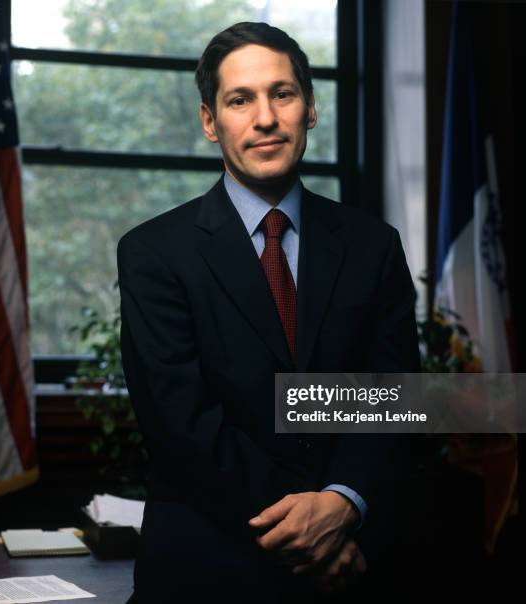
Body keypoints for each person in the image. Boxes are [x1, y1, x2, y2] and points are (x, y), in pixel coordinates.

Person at [117, 21, 420, 603]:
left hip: (355, 574)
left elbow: (397, 397)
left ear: (309, 108)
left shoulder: (373, 245)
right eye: (240, 99)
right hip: (208, 573)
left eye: (282, 93)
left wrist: (343, 504)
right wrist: (313, 536)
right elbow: (182, 426)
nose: (264, 118)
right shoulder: (154, 253)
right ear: (210, 121)